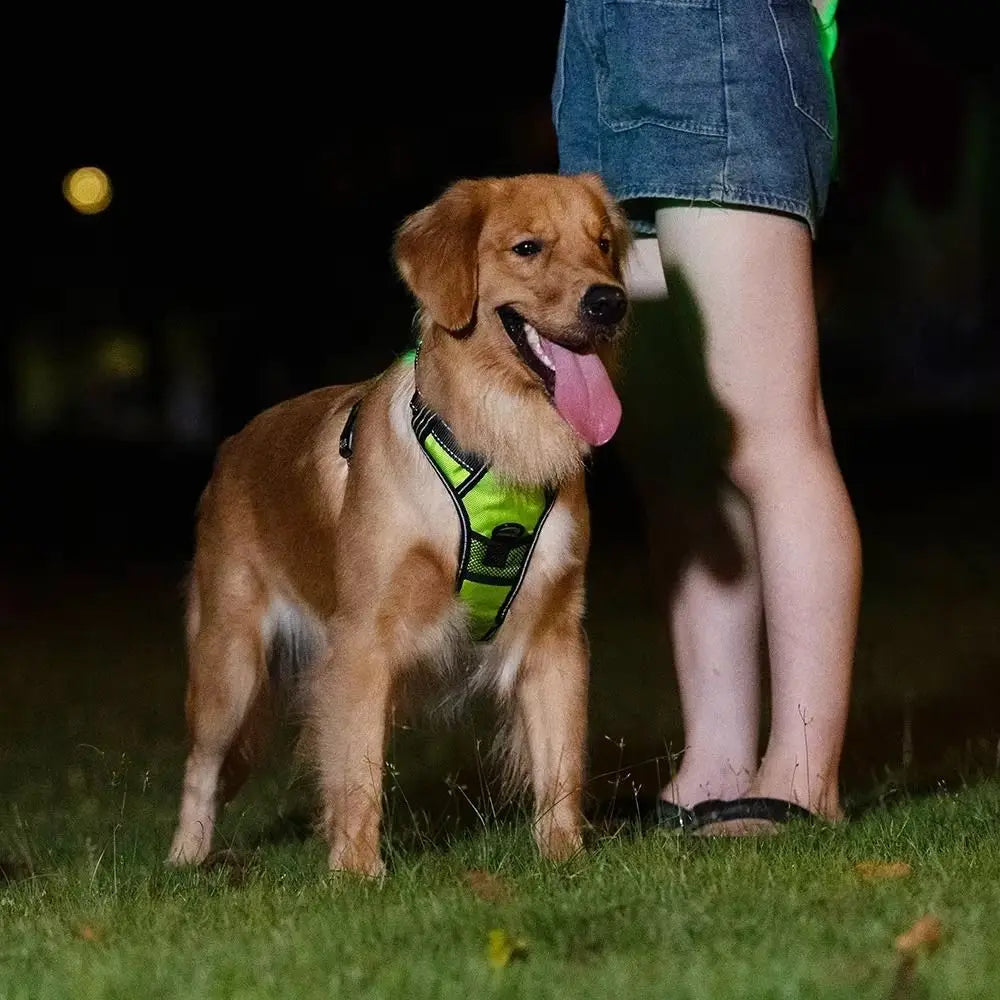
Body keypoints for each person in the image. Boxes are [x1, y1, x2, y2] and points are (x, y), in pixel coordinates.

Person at [551, 0, 860, 832]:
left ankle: (803, 772)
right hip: (604, 41)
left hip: (718, 31)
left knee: (770, 435)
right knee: (677, 452)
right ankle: (715, 765)